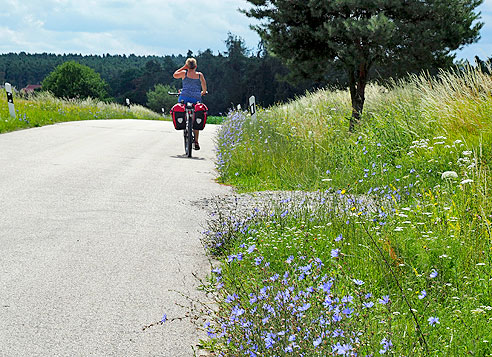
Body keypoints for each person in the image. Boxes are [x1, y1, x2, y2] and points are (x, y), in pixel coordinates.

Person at [173, 58, 207, 150]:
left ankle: (184, 121)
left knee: (182, 108)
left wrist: (183, 67)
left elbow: (175, 75)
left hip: (184, 97)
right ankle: (196, 141)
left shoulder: (184, 73)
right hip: (196, 99)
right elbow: (204, 87)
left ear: (187, 66)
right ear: (195, 66)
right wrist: (202, 92)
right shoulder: (200, 75)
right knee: (196, 116)